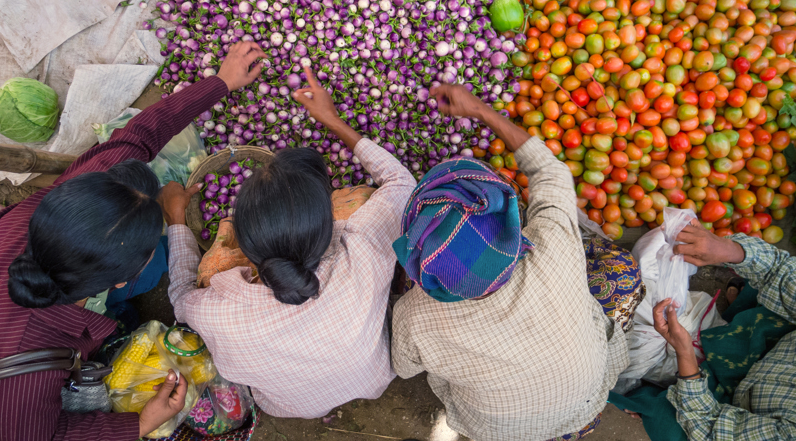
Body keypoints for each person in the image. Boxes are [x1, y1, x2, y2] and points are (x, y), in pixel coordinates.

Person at [0, 41, 265, 441]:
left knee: (155, 266)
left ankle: (115, 317)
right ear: (120, 279)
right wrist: (138, 424)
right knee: (162, 265)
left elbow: (137, 139)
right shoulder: (22, 386)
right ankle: (115, 320)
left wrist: (221, 82)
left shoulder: (66, 206)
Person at [390, 83, 640, 441]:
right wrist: (483, 111)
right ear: (510, 223)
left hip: (500, 431)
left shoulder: (415, 316)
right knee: (617, 267)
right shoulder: (553, 247)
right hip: (585, 407)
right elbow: (551, 174)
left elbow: (404, 367)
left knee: (444, 369)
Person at [162, 68, 416, 419]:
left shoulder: (215, 310)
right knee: (363, 199)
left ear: (245, 248)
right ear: (329, 226)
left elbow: (179, 297)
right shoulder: (363, 250)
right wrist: (334, 121)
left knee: (207, 272)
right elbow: (401, 184)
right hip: (374, 378)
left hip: (293, 407)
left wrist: (176, 221)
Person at [653, 221, 796, 440]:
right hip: (773, 352)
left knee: (663, 416)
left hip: (740, 414)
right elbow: (781, 270)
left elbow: (707, 427)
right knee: (766, 298)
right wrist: (727, 249)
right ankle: (739, 307)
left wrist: (685, 353)